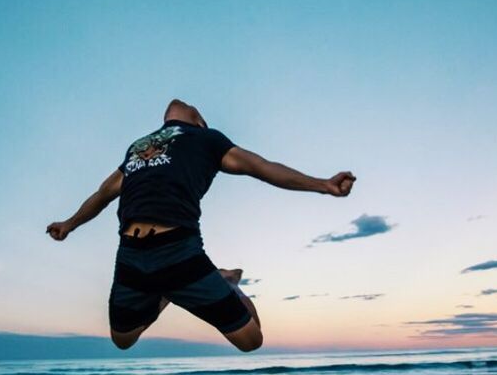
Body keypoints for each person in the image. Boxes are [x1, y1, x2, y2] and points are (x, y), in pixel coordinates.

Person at [46, 99, 356, 352]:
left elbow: (262, 167)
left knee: (251, 340)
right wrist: (70, 224)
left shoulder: (207, 139)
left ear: (199, 121)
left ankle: (229, 284)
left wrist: (323, 185)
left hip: (179, 250)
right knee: (123, 339)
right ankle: (168, 293)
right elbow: (104, 193)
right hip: (131, 253)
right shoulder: (138, 147)